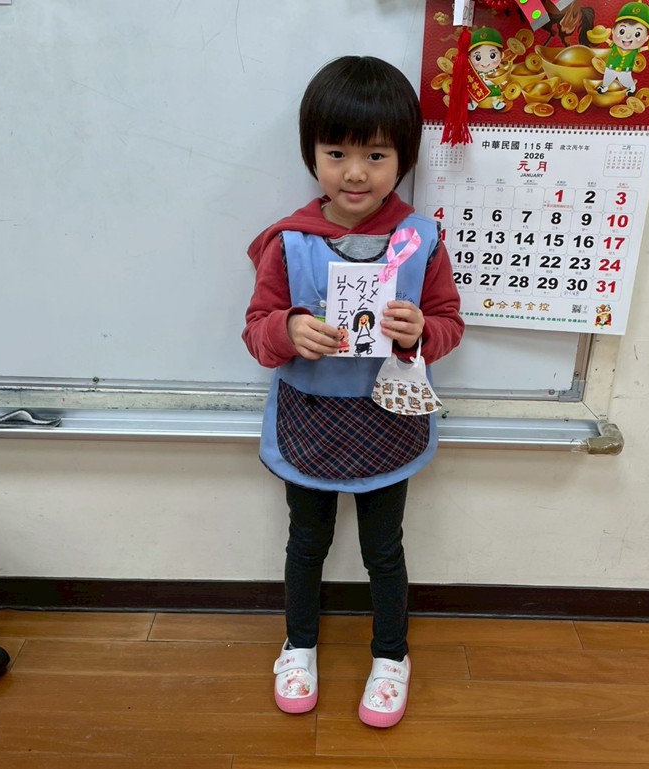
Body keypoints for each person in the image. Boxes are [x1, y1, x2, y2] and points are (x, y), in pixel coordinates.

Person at [242, 55, 464, 728]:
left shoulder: (420, 240)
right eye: (336, 153)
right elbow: (256, 330)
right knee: (305, 544)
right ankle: (298, 645)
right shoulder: (289, 241)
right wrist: (288, 330)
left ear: (403, 158)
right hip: (309, 419)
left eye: (376, 154)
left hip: (387, 419)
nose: (355, 172)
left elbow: (449, 324)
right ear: (311, 152)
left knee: (383, 549)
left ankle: (391, 655)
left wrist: (420, 331)